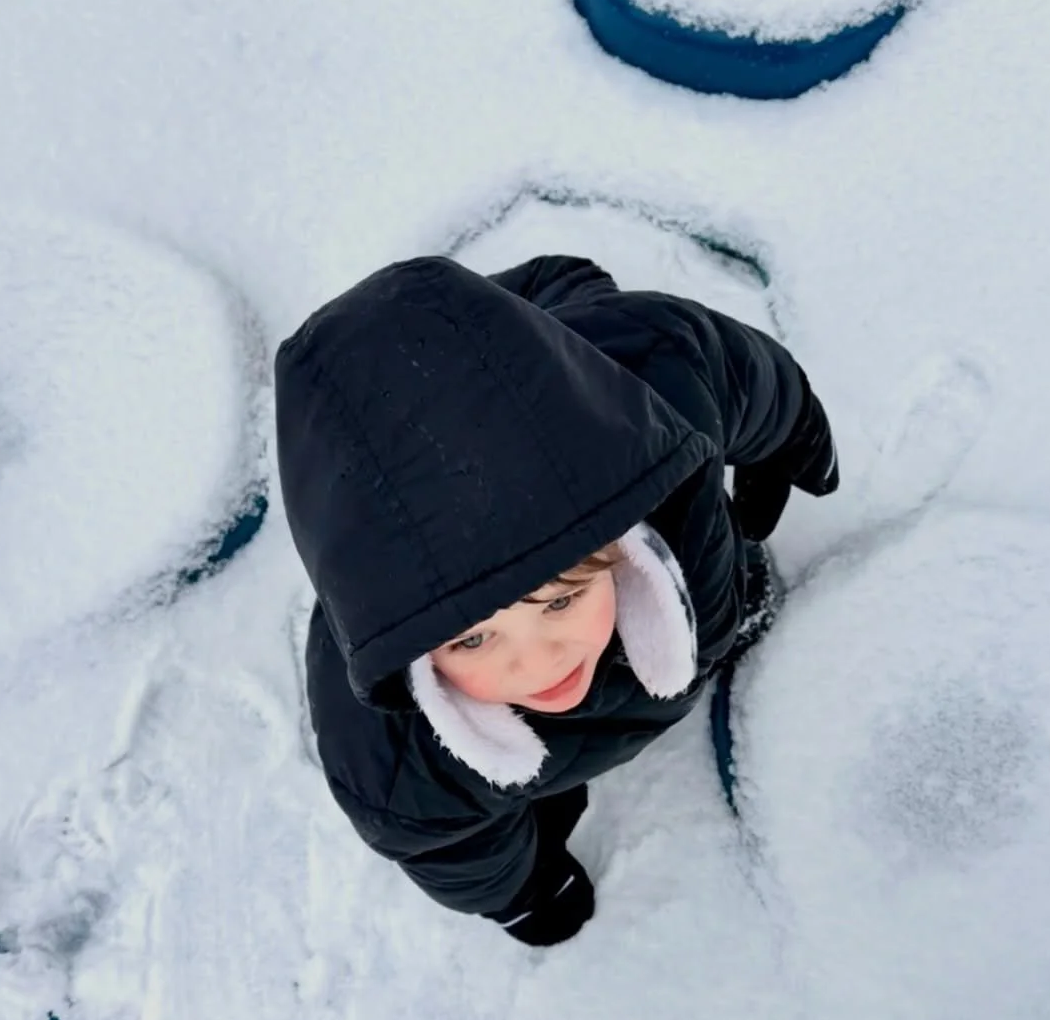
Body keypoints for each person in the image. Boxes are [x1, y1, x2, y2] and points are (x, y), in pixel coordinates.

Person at [274, 252, 837, 948]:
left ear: (617, 550)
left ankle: (732, 603)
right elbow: (449, 849)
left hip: (622, 466)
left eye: (562, 599)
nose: (540, 661)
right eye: (474, 639)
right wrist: (522, 893)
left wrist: (791, 443)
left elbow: (731, 369)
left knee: (716, 571)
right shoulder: (397, 765)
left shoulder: (656, 405)